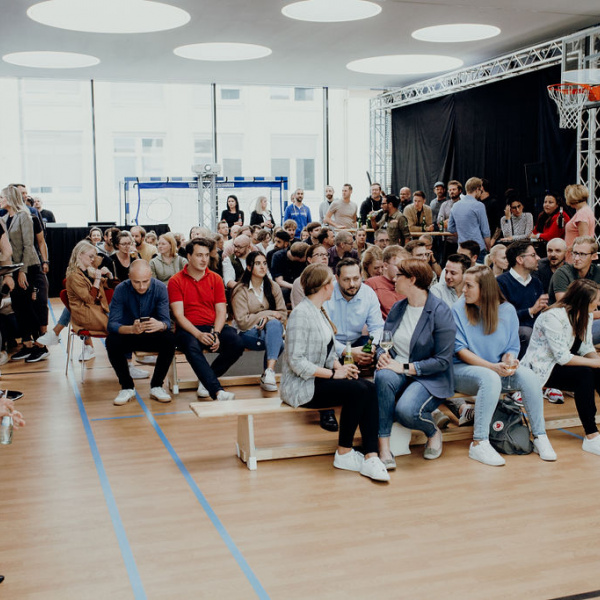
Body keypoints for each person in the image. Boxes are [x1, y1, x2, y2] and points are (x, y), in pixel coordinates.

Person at [280, 263, 389, 482]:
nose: (334, 285)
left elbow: (328, 351)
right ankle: (345, 452)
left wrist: (341, 367)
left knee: (367, 387)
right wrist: (333, 375)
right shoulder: (302, 314)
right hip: (301, 386)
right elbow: (296, 362)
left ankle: (371, 455)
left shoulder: (318, 310)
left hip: (317, 379)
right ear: (324, 286)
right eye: (332, 281)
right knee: (359, 391)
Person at [451, 265, 556, 466]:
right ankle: (479, 442)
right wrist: (492, 367)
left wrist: (509, 360)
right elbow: (460, 351)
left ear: (485, 289)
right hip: (461, 369)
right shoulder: (457, 308)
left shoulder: (507, 311)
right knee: (489, 378)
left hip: (494, 369)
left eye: (469, 286)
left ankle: (540, 436)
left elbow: (512, 346)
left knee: (529, 376)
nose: (463, 290)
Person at [375, 259, 456, 467]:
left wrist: (402, 367)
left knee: (406, 411)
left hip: (429, 376)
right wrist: (381, 356)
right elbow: (383, 341)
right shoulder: (399, 307)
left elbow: (442, 360)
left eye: (399, 275)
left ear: (412, 279)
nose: (394, 278)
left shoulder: (440, 311)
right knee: (383, 375)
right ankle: (384, 447)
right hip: (397, 369)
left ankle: (432, 431)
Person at [522, 279, 600, 456]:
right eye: (596, 300)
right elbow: (562, 357)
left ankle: (592, 432)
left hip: (564, 365)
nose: (599, 303)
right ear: (583, 301)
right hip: (542, 368)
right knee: (585, 374)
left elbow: (586, 346)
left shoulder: (585, 315)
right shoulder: (553, 316)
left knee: (594, 370)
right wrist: (595, 363)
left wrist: (597, 361)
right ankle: (591, 436)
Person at [168, 238, 244, 401]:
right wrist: (198, 334)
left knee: (237, 342)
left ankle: (207, 380)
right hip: (188, 329)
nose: (204, 260)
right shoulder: (176, 281)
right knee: (191, 345)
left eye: (206, 255)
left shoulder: (215, 278)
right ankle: (217, 391)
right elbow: (178, 315)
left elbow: (221, 310)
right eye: (199, 255)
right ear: (189, 256)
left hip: (211, 326)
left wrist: (216, 333)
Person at [106, 260, 175, 405]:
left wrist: (160, 325)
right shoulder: (120, 289)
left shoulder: (160, 288)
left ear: (151, 275)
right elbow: (112, 324)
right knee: (112, 341)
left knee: (169, 339)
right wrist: (130, 329)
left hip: (152, 333)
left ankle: (156, 385)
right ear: (129, 276)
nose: (142, 286)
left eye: (145, 281)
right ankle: (127, 387)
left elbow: (167, 323)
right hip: (129, 334)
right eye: (136, 282)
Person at [1, 185, 48, 363]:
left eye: (2, 197)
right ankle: (27, 345)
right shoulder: (6, 218)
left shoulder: (25, 216)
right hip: (14, 269)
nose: (0, 200)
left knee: (30, 308)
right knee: (19, 308)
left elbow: (29, 246)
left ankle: (41, 346)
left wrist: (22, 271)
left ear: (10, 198)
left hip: (29, 267)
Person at [231, 252, 287, 392]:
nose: (262, 267)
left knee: (274, 324)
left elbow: (283, 314)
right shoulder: (240, 289)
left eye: (264, 263)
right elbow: (243, 322)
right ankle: (267, 375)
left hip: (268, 331)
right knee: (278, 343)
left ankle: (269, 372)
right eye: (257, 264)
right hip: (246, 332)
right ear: (249, 267)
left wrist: (268, 318)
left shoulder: (273, 286)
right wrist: (267, 313)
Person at [497, 241, 547, 358]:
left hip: (536, 327)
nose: (538, 258)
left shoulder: (536, 282)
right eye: (533, 255)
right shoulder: (501, 282)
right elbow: (503, 317)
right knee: (526, 332)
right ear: (519, 259)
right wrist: (530, 311)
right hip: (513, 331)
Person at [65, 240, 112, 361]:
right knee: (120, 327)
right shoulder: (73, 276)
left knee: (124, 322)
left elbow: (109, 285)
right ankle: (125, 361)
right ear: (80, 254)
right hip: (86, 315)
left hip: (96, 311)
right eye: (90, 256)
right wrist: (97, 279)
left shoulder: (88, 271)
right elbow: (90, 299)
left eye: (94, 256)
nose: (93, 259)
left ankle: (125, 360)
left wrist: (110, 276)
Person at [548, 236, 600, 344]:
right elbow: (566, 309)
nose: (576, 258)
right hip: (565, 327)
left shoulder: (597, 272)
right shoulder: (562, 273)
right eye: (574, 253)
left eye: (582, 254)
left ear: (594, 256)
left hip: (588, 322)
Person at [448, 177, 491, 261]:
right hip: (477, 248)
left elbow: (450, 228)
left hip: (462, 248)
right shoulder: (479, 205)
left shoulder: (455, 205)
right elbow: (485, 231)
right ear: (478, 189)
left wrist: (462, 233)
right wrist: (489, 248)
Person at [365, 245, 409, 319]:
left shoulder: (408, 284)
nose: (402, 270)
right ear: (385, 265)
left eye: (404, 266)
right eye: (398, 266)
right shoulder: (372, 284)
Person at [291, 243, 329, 308]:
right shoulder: (300, 282)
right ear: (310, 259)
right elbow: (300, 311)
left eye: (326, 255)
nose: (325, 257)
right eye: (319, 255)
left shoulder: (333, 280)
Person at [564, 184, 595, 261]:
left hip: (575, 258)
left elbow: (583, 239)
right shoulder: (587, 211)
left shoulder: (582, 214)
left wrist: (566, 249)